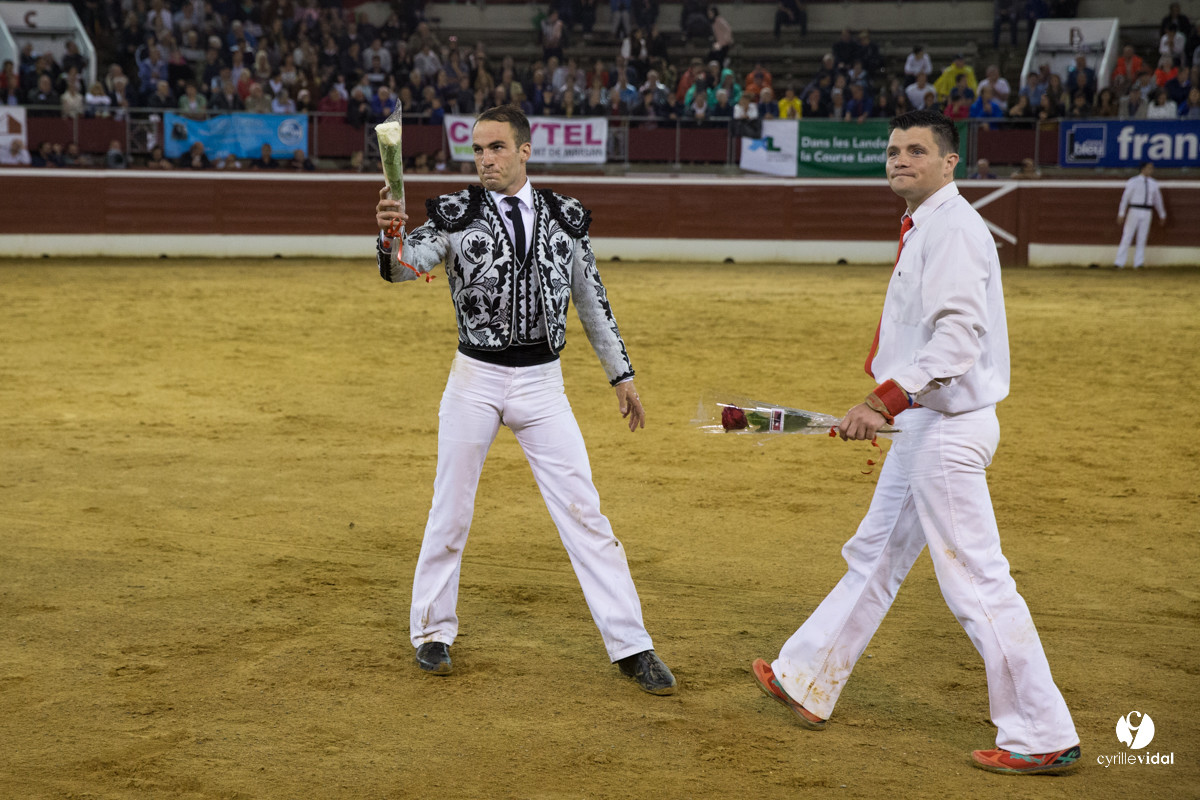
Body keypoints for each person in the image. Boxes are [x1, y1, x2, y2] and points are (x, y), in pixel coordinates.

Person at [751, 108, 1081, 777]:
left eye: (917, 151)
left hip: (946, 429)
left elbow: (959, 338)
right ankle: (808, 675)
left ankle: (1042, 731)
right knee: (874, 553)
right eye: (894, 150)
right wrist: (893, 405)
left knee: (976, 580)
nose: (901, 160)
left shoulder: (952, 227)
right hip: (926, 423)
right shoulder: (929, 225)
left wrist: (883, 401)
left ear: (950, 162)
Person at [372, 105, 676, 696]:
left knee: (585, 514)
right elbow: (404, 269)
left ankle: (633, 645)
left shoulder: (566, 217)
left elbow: (593, 303)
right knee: (451, 507)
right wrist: (389, 234)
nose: (484, 159)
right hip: (475, 377)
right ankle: (432, 632)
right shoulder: (453, 214)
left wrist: (622, 376)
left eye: (495, 148)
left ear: (524, 151)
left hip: (543, 383)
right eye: (477, 150)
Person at [1115, 161, 1167, 269]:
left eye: (1151, 168)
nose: (1151, 170)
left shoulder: (1154, 183)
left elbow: (1158, 200)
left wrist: (1162, 214)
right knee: (1127, 236)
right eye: (1149, 168)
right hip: (1134, 210)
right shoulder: (1133, 182)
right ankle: (1119, 262)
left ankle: (1138, 263)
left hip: (1147, 211)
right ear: (1142, 169)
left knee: (1142, 237)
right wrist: (1121, 213)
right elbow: (1125, 199)